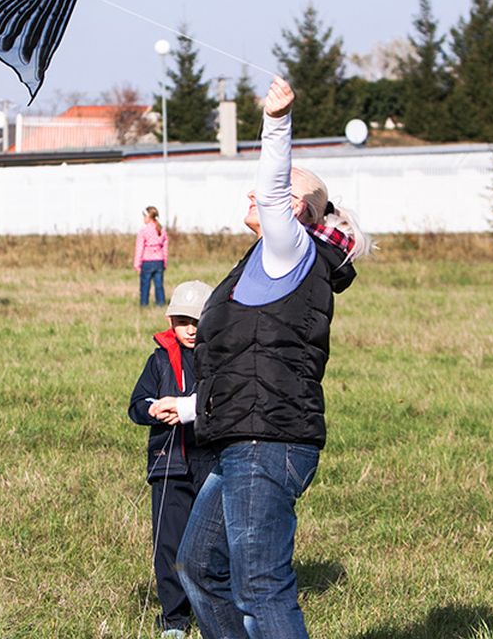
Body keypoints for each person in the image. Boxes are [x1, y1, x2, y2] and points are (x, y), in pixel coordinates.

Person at [149, 76, 370, 639]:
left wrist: (277, 122)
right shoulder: (258, 262)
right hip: (242, 437)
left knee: (260, 587)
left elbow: (271, 193)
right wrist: (191, 407)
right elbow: (248, 360)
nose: (255, 192)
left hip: (267, 443)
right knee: (199, 568)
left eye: (273, 189)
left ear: (297, 210)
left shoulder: (289, 249)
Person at [127, 280, 216, 639]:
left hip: (213, 463)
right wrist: (153, 409)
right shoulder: (159, 360)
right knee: (169, 544)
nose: (190, 329)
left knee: (213, 544)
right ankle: (175, 618)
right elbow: (136, 405)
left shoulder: (222, 359)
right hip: (170, 464)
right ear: (170, 322)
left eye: (197, 321)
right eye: (182, 321)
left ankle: (215, 611)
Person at [134, 205, 169, 307]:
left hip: (147, 261)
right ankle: (161, 303)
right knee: (159, 285)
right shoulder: (161, 230)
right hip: (159, 261)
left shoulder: (143, 231)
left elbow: (139, 248)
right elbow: (165, 248)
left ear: (148, 217)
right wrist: (164, 262)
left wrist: (137, 264)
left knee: (145, 285)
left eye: (144, 217)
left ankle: (144, 304)